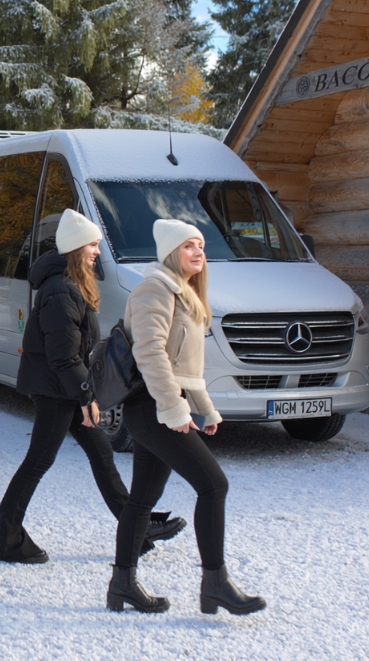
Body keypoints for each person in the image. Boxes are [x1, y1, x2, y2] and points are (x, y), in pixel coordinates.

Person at [0, 210, 186, 564]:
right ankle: (4, 538)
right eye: (93, 244)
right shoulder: (61, 290)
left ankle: (134, 527)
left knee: (100, 452)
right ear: (76, 248)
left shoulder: (68, 284)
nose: (97, 251)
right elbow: (63, 357)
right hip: (56, 389)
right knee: (39, 460)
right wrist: (85, 397)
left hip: (62, 386)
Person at [107, 219, 265, 615]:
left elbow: (187, 366)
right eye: (189, 246)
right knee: (214, 485)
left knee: (142, 498)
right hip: (150, 406)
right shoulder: (154, 289)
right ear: (171, 253)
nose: (199, 252)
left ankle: (121, 585)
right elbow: (151, 355)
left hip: (160, 405)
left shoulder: (187, 294)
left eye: (201, 246)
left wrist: (204, 407)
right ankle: (215, 584)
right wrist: (174, 410)